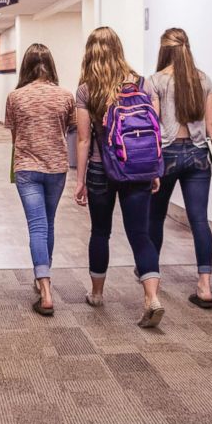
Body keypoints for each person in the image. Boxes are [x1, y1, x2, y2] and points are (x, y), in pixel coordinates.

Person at [74, 27, 165, 328]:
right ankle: (151, 298)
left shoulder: (88, 89)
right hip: (138, 169)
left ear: (91, 53)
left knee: (101, 232)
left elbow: (84, 140)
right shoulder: (142, 84)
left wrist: (80, 180)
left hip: (102, 169)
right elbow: (154, 132)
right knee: (140, 233)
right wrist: (154, 169)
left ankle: (97, 293)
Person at [148, 28, 212, 309]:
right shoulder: (203, 80)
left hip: (166, 154)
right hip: (197, 155)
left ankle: (152, 278)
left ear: (164, 49)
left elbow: (154, 127)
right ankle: (204, 285)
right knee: (199, 221)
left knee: (155, 218)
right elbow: (211, 127)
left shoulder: (155, 81)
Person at [4, 44, 76, 316]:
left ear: (25, 66)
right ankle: (44, 276)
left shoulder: (15, 97)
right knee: (48, 222)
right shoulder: (65, 96)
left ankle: (44, 287)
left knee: (36, 225)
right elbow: (69, 130)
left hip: (27, 168)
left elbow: (14, 135)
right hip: (56, 169)